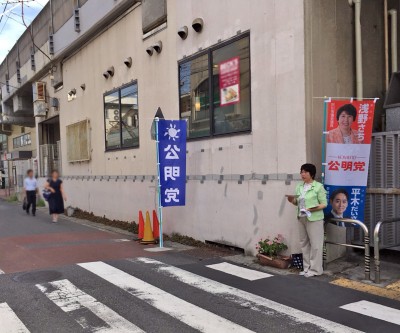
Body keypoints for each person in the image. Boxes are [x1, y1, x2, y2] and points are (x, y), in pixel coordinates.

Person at [287, 163, 327, 277]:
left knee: (316, 245)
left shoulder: (318, 187)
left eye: (305, 172)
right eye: (301, 172)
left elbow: (324, 204)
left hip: (314, 218)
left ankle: (316, 270)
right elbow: (297, 202)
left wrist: (311, 209)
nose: (302, 174)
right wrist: (292, 200)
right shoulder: (299, 186)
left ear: (312, 174)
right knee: (304, 243)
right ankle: (306, 268)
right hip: (301, 217)